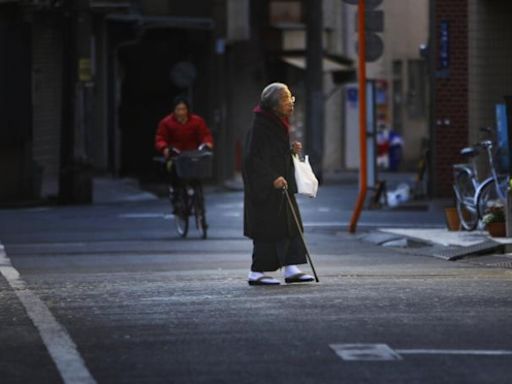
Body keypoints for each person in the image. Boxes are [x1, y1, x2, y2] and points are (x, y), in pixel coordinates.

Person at [243, 83, 314, 286]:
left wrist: (291, 150)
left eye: (290, 98)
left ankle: (291, 268)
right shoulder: (260, 126)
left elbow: (273, 152)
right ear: (274, 105)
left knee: (291, 226)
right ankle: (256, 272)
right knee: (267, 230)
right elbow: (252, 159)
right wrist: (271, 178)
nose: (290, 103)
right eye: (285, 99)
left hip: (281, 186)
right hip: (267, 189)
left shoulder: (276, 122)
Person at [154, 96, 214, 206]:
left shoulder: (197, 121)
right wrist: (165, 148)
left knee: (198, 171)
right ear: (174, 110)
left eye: (183, 109)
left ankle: (197, 198)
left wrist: (207, 143)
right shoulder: (166, 123)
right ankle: (174, 190)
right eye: (178, 109)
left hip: (192, 154)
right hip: (176, 155)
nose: (181, 112)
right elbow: (160, 138)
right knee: (172, 170)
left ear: (187, 110)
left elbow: (205, 135)